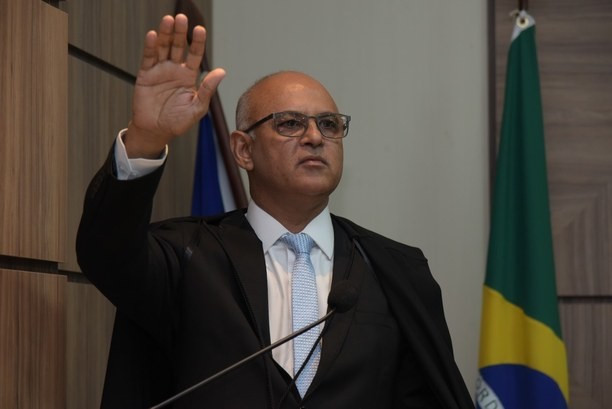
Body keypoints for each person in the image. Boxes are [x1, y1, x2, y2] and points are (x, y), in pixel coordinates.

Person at [76, 13, 474, 409]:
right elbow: (107, 254)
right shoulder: (187, 255)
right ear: (243, 150)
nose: (315, 137)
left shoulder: (396, 270)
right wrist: (146, 139)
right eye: (290, 123)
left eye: (329, 125)